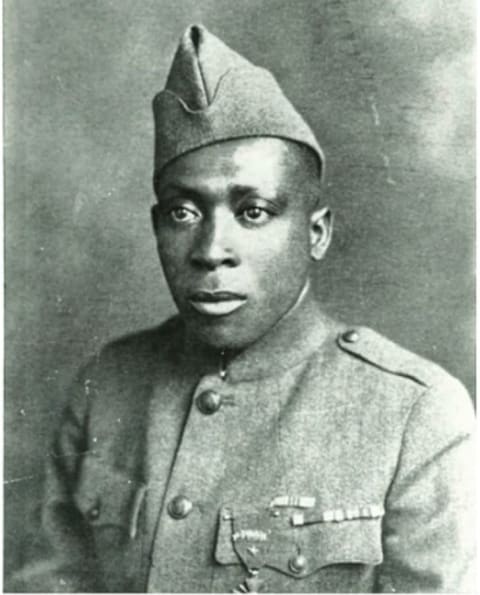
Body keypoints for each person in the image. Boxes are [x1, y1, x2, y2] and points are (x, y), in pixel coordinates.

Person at [9, 24, 475, 593]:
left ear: (316, 233)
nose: (210, 252)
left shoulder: (417, 417)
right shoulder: (107, 387)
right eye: (184, 212)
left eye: (253, 211)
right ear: (157, 228)